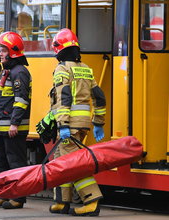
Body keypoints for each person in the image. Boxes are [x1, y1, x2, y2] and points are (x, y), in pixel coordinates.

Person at [45, 28, 106, 216]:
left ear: (59, 49)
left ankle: (92, 200)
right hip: (82, 123)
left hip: (68, 124)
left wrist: (62, 124)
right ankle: (62, 202)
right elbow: (99, 97)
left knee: (73, 164)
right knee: (61, 161)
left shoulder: (62, 69)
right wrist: (98, 122)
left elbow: (63, 98)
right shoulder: (85, 68)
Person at [0, 32, 31, 209]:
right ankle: (4, 194)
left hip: (13, 128)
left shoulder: (20, 72)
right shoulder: (6, 71)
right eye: (0, 50)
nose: (0, 53)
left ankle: (18, 198)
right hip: (0, 127)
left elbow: (21, 100)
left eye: (3, 50)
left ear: (13, 51)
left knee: (15, 163)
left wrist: (15, 123)